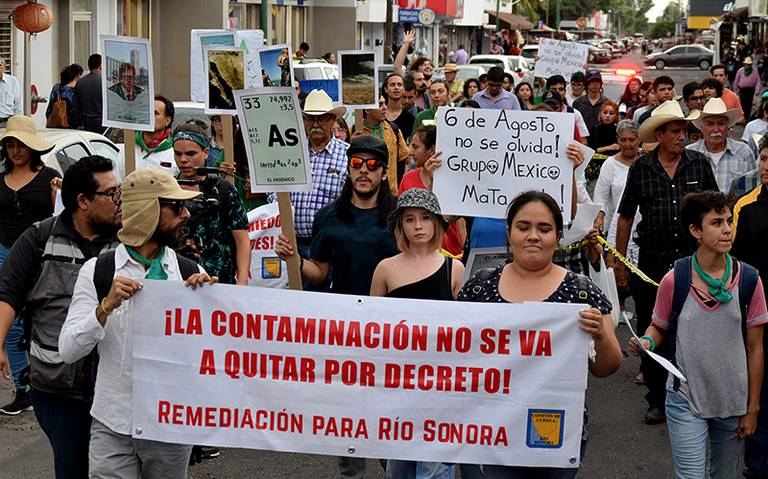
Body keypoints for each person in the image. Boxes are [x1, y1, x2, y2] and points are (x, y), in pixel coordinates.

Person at [59, 168, 214, 479]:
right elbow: (68, 349)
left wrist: (209, 307)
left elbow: (210, 360)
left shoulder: (188, 273)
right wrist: (105, 307)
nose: (185, 215)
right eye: (175, 206)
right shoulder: (99, 272)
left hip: (170, 425)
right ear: (148, 212)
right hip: (113, 421)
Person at [457, 190, 622, 479]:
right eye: (523, 227)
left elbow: (607, 367)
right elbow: (455, 356)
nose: (533, 235)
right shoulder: (478, 287)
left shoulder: (582, 292)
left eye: (544, 228)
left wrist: (600, 336)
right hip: (487, 433)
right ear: (509, 233)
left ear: (558, 236)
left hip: (551, 434)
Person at [275, 137, 398, 479]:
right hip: (344, 330)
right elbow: (320, 272)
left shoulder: (398, 217)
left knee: (390, 415)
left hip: (390, 332)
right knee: (350, 417)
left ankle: (393, 469)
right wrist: (296, 259)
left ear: (383, 173)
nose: (363, 171)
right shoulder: (328, 217)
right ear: (347, 168)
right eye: (357, 163)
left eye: (372, 165)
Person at [0, 155, 121, 477]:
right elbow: (8, 292)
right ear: (83, 200)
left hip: (116, 385)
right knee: (73, 467)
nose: (118, 201)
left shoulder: (130, 241)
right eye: (111, 194)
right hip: (57, 387)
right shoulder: (40, 239)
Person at [631, 191, 766, 479]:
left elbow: (755, 348)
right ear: (696, 231)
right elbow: (659, 326)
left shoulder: (750, 280)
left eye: (728, 221)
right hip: (685, 398)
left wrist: (753, 409)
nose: (728, 229)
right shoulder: (675, 278)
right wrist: (646, 342)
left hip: (732, 401)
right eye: (717, 223)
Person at [615, 100, 719, 424]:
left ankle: (695, 394)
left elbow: (715, 211)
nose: (681, 137)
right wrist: (620, 265)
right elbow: (625, 217)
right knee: (653, 325)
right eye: (675, 132)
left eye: (684, 132)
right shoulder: (641, 169)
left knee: (697, 327)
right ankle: (657, 398)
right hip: (651, 264)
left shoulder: (699, 164)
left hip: (694, 263)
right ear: (659, 135)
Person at [370, 187, 463, 479]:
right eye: (410, 219)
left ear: (437, 222)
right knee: (399, 467)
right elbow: (371, 327)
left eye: (425, 218)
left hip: (441, 387)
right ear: (400, 225)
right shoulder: (385, 269)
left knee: (435, 469)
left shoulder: (454, 269)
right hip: (398, 385)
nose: (418, 226)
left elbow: (465, 332)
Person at [0, 116, 61, 416]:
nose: (15, 151)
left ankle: (44, 380)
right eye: (10, 145)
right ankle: (22, 387)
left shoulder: (48, 176)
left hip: (39, 255)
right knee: (9, 322)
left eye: (20, 145)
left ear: (31, 147)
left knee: (38, 317)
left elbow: (61, 216)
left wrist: (57, 193)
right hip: (4, 254)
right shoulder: (0, 179)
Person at [269, 89, 349, 256]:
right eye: (310, 119)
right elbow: (274, 190)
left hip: (331, 244)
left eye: (321, 119)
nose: (315, 124)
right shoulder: (289, 152)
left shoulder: (347, 155)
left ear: (333, 120)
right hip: (292, 243)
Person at [172, 122, 250, 285]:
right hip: (179, 279)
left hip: (219, 280)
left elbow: (241, 239)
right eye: (178, 154)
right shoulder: (167, 188)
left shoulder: (223, 189)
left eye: (191, 153)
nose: (183, 160)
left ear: (206, 152)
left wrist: (242, 282)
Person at [732, 135, 768, 479]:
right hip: (756, 313)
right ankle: (756, 466)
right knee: (758, 391)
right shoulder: (745, 206)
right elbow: (735, 263)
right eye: (765, 159)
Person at [398, 125, 465, 257]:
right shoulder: (407, 178)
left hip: (449, 251)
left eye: (416, 147)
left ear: (432, 150)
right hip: (416, 253)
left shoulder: (452, 179)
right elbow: (400, 219)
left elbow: (459, 220)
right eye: (411, 145)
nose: (410, 152)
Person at [594, 120, 642, 266]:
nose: (627, 144)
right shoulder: (610, 164)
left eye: (631, 140)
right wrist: (598, 220)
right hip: (618, 225)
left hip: (644, 227)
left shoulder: (646, 163)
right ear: (617, 140)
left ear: (639, 140)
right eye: (623, 140)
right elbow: (600, 197)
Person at [686, 97, 755, 193]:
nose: (715, 129)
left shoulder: (743, 152)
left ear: (728, 126)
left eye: (721, 123)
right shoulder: (689, 153)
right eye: (710, 124)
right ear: (701, 128)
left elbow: (753, 188)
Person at [357, 96, 410, 194]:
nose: (385, 107)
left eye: (385, 103)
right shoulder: (356, 131)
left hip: (390, 193)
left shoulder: (393, 130)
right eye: (380, 105)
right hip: (365, 192)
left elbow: (407, 158)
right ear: (367, 110)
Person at [131, 95, 177, 176]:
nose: (149, 116)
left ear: (167, 121)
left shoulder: (175, 152)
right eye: (147, 112)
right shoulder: (128, 148)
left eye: (155, 113)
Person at [72, 54, 103, 133]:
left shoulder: (80, 83)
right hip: (102, 123)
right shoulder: (105, 83)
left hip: (86, 123)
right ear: (100, 66)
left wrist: (78, 123)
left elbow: (75, 107)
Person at [46, 64, 83, 129]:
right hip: (72, 128)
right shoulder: (76, 91)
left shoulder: (56, 88)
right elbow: (76, 112)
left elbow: (49, 110)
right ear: (77, 76)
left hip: (56, 126)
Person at [383, 73, 415, 141]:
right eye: (392, 85)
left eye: (399, 85)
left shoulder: (410, 118)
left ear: (403, 89)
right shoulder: (378, 114)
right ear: (386, 89)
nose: (396, 88)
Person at [0, 57, 21, 126]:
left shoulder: (12, 81)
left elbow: (18, 105)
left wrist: (17, 123)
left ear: (4, 67)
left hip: (7, 123)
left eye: (0, 65)